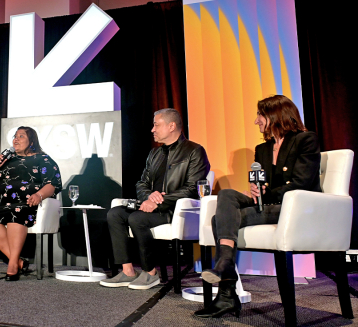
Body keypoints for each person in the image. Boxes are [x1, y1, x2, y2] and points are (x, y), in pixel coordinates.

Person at [194, 95, 321, 318]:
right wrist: (255, 191)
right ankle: (225, 270)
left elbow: (302, 183)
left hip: (296, 208)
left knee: (219, 220)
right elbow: (262, 184)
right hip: (268, 205)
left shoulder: (305, 139)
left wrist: (265, 192)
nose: (256, 121)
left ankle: (226, 294)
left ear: (275, 115)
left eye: (260, 115)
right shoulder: (262, 149)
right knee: (226, 195)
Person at [101, 108, 210, 289]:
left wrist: (158, 202)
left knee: (137, 218)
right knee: (115, 214)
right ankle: (127, 271)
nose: (153, 129)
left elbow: (193, 188)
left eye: (156, 125)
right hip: (150, 207)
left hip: (174, 211)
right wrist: (148, 196)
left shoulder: (194, 151)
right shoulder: (155, 154)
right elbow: (141, 183)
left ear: (172, 126)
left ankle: (150, 272)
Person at [0, 126, 63, 281]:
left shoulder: (43, 159)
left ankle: (12, 264)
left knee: (16, 213)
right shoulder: (7, 159)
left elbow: (53, 184)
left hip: (25, 202)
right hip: (0, 202)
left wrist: (39, 195)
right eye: (15, 136)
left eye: (21, 136)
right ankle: (18, 260)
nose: (15, 139)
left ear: (31, 141)